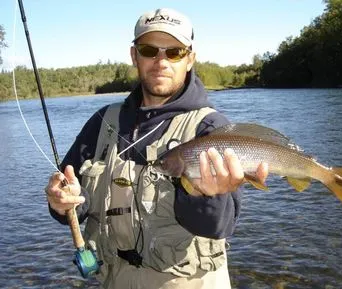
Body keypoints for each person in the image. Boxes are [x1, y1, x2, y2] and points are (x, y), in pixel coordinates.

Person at [44, 7, 268, 289]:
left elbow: (219, 227)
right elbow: (75, 202)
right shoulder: (102, 122)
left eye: (174, 52)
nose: (161, 61)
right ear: (134, 56)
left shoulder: (210, 127)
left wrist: (204, 195)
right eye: (150, 50)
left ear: (190, 59)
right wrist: (62, 202)